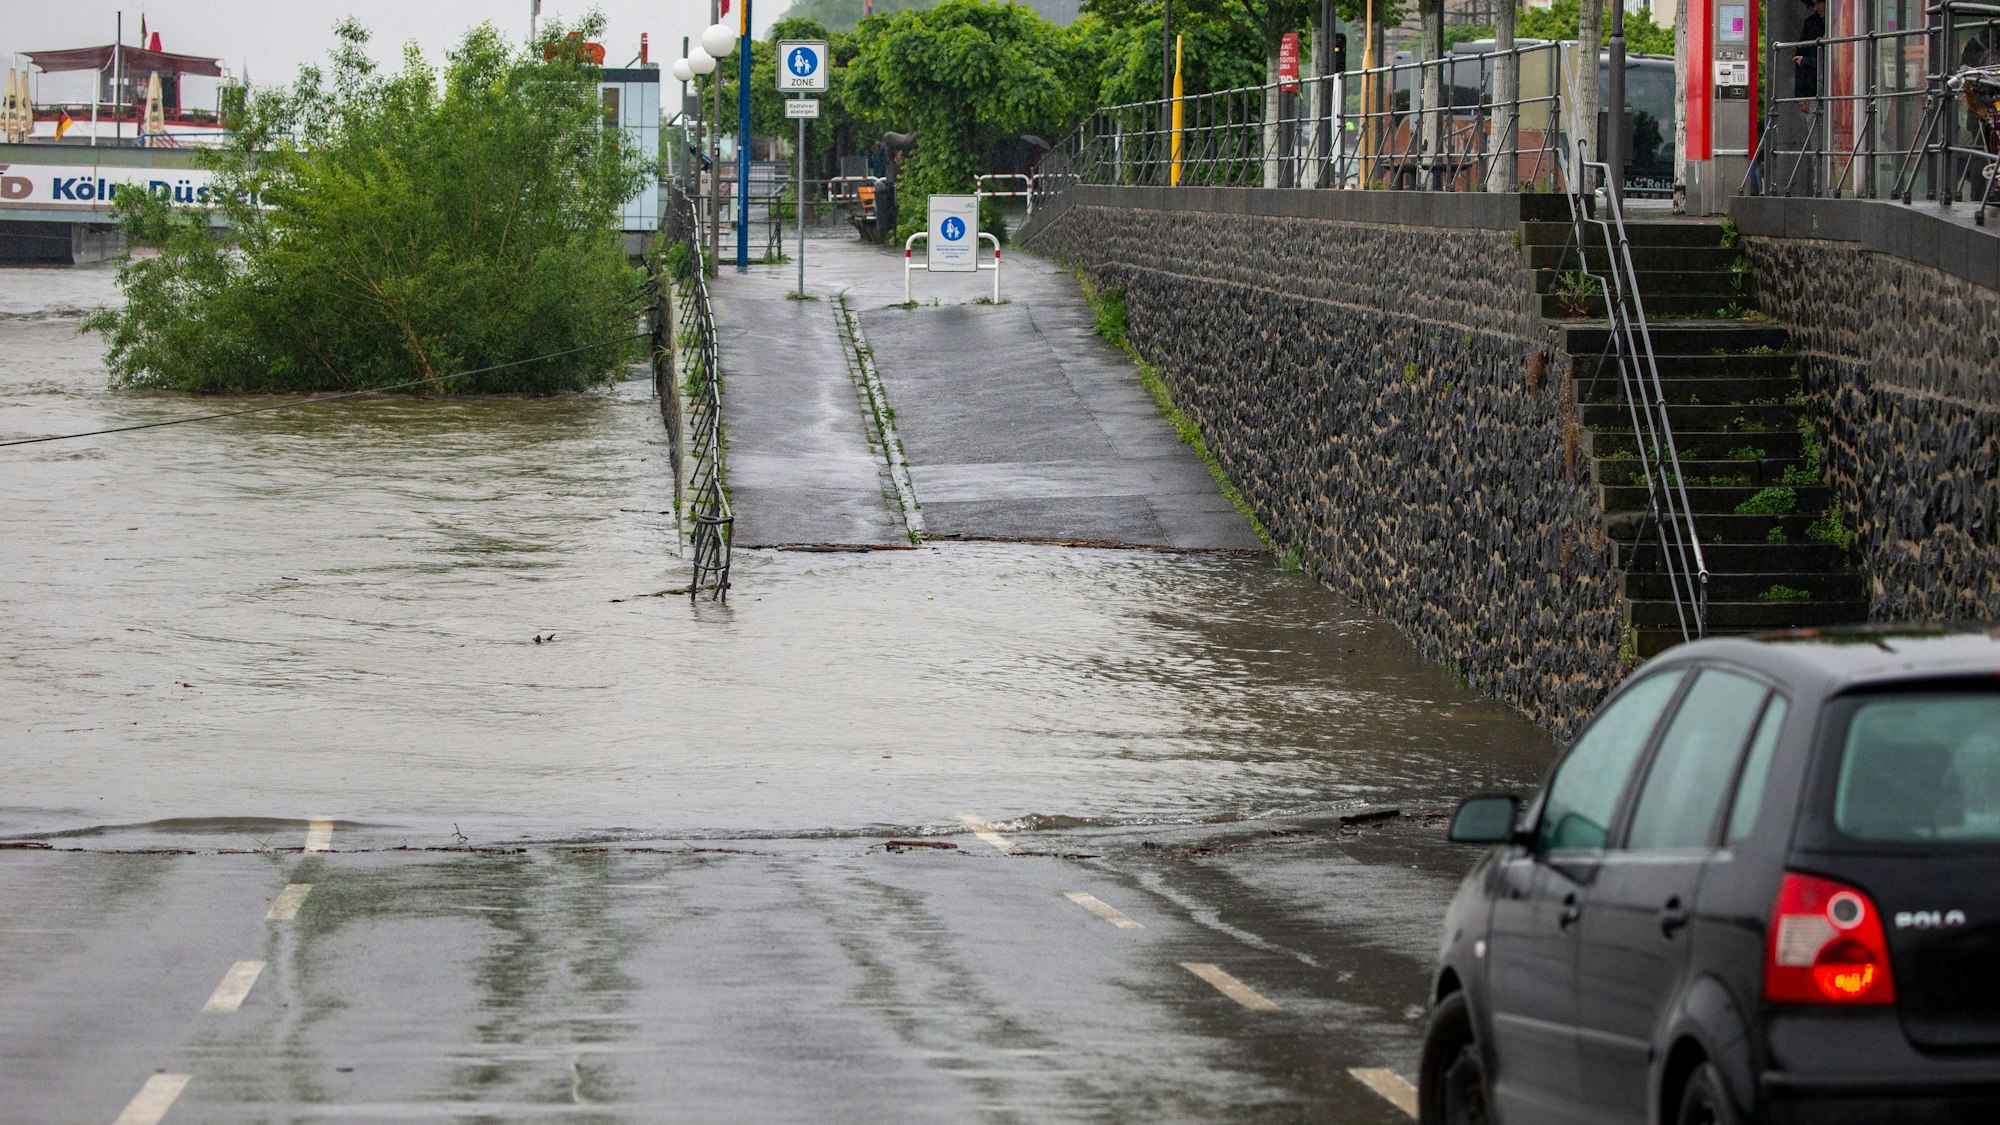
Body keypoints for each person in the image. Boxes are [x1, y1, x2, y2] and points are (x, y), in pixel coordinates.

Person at [1794, 0, 1827, 104]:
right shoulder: (1811, 23)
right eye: (1814, 4)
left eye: (1819, 3)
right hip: (1812, 88)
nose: (1815, 8)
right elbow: (1800, 55)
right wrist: (1800, 95)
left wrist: (1806, 61)